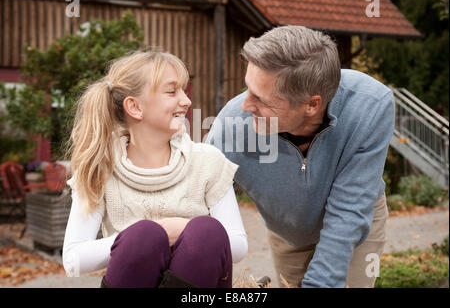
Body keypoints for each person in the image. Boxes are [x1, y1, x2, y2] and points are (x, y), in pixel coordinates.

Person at [206, 25, 395, 288]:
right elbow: (197, 194)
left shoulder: (370, 105)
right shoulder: (232, 123)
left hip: (354, 222)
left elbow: (348, 212)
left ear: (311, 104)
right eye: (247, 88)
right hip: (287, 229)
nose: (246, 105)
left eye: (262, 99)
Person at [62, 50, 248, 288]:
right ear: (135, 107)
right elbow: (73, 259)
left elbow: (239, 245)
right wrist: (155, 234)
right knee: (144, 237)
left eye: (184, 89)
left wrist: (182, 231)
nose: (186, 100)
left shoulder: (208, 162)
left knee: (206, 231)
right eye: (172, 91)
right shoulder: (100, 168)